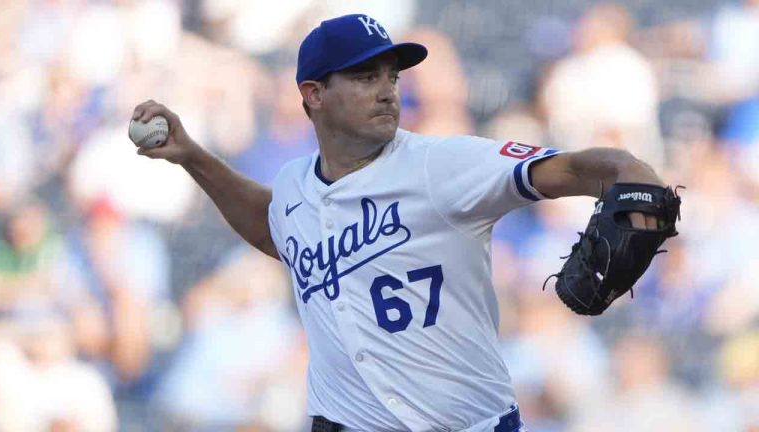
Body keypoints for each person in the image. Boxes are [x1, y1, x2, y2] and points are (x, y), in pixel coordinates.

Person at [131, 14, 665, 432]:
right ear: (314, 95)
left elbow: (568, 167)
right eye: (366, 76)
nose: (388, 89)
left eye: (391, 75)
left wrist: (627, 170)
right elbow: (275, 229)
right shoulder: (295, 186)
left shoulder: (443, 164)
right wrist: (191, 156)